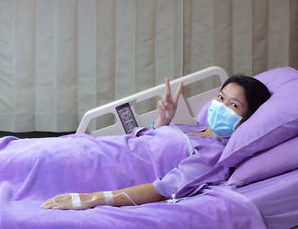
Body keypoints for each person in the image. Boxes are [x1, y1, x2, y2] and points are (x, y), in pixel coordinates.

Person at [41, 75, 271, 210]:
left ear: (247, 120)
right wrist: (163, 121)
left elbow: (162, 190)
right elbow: (149, 148)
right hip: (96, 148)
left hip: (98, 166)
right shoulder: (192, 128)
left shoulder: (214, 155)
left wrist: (89, 199)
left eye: (234, 105)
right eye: (221, 97)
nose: (221, 106)